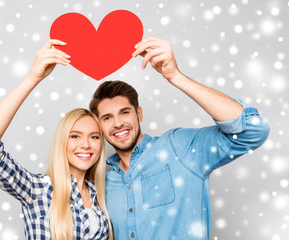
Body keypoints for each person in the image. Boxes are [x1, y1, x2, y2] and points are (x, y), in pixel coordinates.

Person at [89, 36, 270, 239]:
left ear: (139, 113)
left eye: (125, 112)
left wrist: (176, 76)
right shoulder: (100, 183)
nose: (118, 123)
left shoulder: (178, 149)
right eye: (107, 117)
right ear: (99, 125)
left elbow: (253, 131)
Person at [0, 40, 113, 240]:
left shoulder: (100, 196)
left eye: (94, 137)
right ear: (62, 142)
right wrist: (33, 78)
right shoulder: (39, 189)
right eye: (75, 136)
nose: (85, 144)